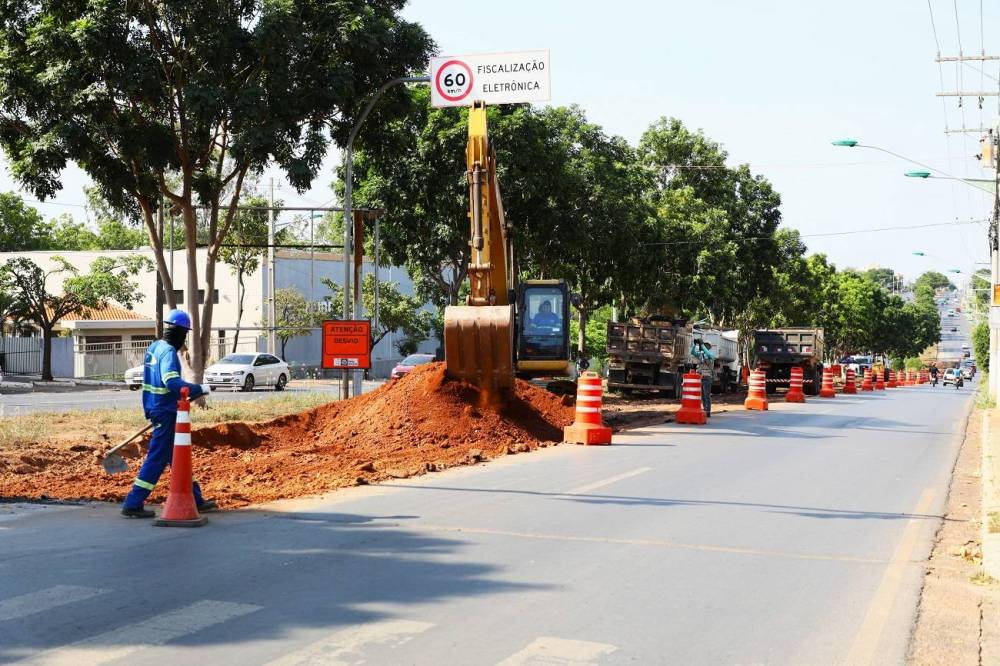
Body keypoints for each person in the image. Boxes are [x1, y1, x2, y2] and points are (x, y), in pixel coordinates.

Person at [121, 309, 216, 518]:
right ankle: (133, 503)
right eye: (185, 333)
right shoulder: (168, 352)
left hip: (156, 407)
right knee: (157, 458)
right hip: (165, 412)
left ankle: (195, 499)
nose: (184, 338)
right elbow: (171, 382)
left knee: (178, 458)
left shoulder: (154, 347)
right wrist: (199, 389)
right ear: (180, 332)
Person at [691, 339, 716, 417]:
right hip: (700, 377)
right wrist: (694, 345)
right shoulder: (701, 355)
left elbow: (708, 354)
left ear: (709, 347)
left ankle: (707, 410)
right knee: (702, 395)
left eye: (706, 345)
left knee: (706, 395)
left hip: (707, 377)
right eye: (704, 345)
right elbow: (692, 352)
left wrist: (702, 345)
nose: (705, 346)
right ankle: (705, 409)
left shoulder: (711, 354)